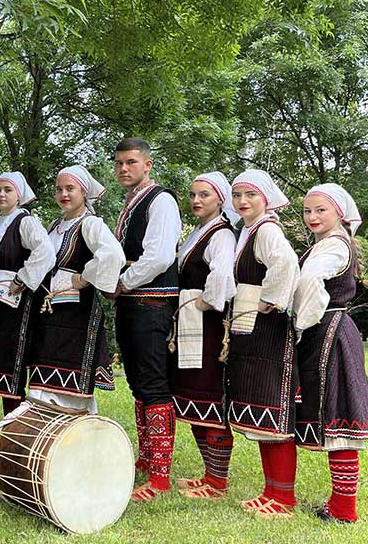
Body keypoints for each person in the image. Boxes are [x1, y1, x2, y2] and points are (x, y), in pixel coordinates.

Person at [294, 184, 368, 523]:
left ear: (339, 214)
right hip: (328, 331)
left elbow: (311, 278)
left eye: (320, 210)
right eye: (307, 211)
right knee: (334, 415)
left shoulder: (334, 245)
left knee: (339, 414)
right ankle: (340, 505)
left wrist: (301, 320)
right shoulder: (327, 243)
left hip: (330, 333)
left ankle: (345, 509)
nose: (312, 217)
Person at [109, 137, 182, 501]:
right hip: (133, 302)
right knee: (139, 384)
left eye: (131, 162)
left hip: (151, 302)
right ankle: (148, 459)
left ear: (147, 165)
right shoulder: (132, 202)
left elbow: (159, 256)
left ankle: (161, 477)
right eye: (119, 162)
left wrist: (121, 282)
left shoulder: (161, 200)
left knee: (154, 384)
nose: (124, 168)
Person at [226, 169, 300, 516]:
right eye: (238, 195)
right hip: (253, 327)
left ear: (265, 198)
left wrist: (267, 301)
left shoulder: (267, 229)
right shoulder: (249, 230)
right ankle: (270, 491)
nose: (242, 202)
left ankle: (283, 498)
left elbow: (284, 264)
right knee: (261, 412)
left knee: (273, 408)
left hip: (268, 328)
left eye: (250, 195)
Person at [25, 166, 125, 412]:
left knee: (71, 380)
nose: (64, 194)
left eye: (70, 189)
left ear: (84, 192)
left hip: (77, 316)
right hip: (49, 314)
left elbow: (112, 253)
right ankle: (46, 436)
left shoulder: (90, 224)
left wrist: (85, 277)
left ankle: (78, 435)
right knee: (44, 377)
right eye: (59, 189)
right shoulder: (54, 226)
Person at [169, 172, 238, 501]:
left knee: (209, 396)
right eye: (194, 195)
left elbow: (222, 273)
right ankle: (209, 475)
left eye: (204, 195)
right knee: (196, 400)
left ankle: (219, 482)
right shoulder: (199, 232)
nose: (196, 200)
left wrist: (204, 300)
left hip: (207, 324)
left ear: (220, 200)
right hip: (191, 322)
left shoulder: (222, 235)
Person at [0, 171, 55, 414]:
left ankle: (16, 431)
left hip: (15, 302)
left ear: (19, 195)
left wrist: (23, 278)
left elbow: (46, 252)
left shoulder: (25, 221)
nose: (2, 194)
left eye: (8, 190)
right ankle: (9, 429)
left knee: (12, 366)